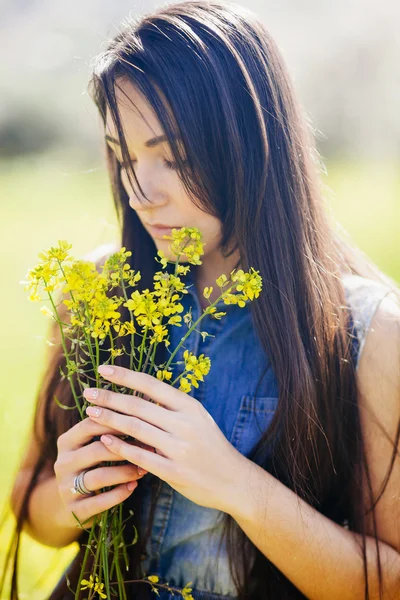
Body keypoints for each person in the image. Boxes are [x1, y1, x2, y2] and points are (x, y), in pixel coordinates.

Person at [4, 1, 400, 599]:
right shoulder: (97, 289)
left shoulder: (368, 331)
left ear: (252, 142)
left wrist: (233, 482)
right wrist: (75, 493)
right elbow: (30, 507)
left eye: (174, 156)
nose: (141, 192)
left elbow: (387, 582)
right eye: (125, 155)